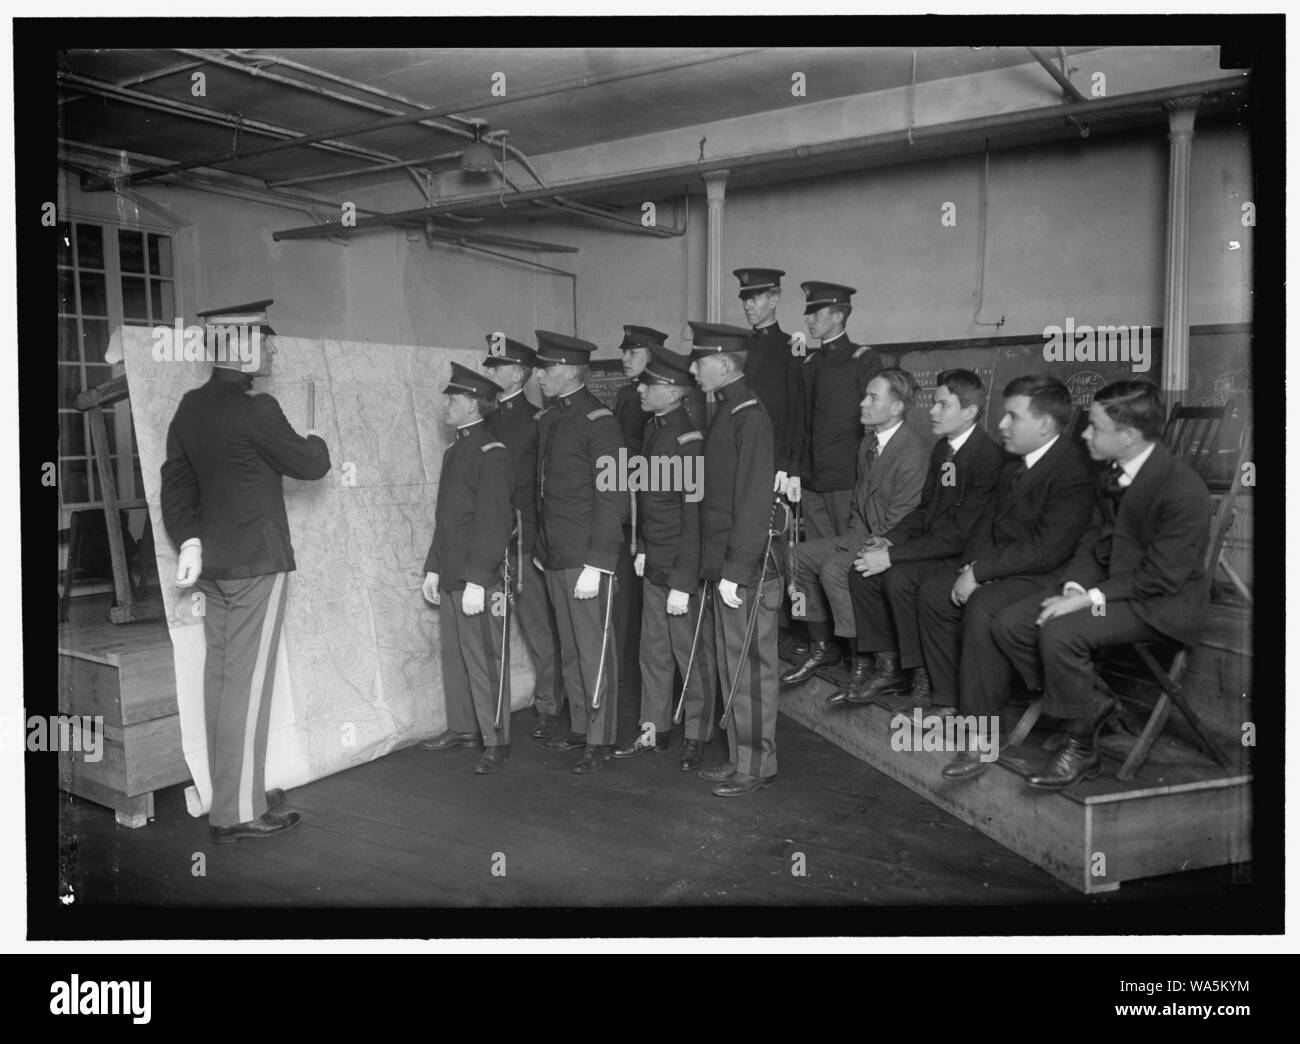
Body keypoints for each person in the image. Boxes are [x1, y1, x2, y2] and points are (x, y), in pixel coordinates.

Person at [160, 299, 331, 843]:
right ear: (241, 346)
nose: (273, 347)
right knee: (248, 686)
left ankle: (235, 790)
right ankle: (236, 812)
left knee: (222, 681)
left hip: (212, 566)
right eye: (266, 338)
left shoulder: (189, 407)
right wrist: (316, 437)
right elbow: (312, 464)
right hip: (258, 564)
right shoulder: (259, 409)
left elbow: (176, 487)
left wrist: (189, 540)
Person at [987, 379, 1212, 788]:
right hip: (1117, 589)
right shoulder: (1114, 471)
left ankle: (1082, 749)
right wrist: (1075, 587)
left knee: (1060, 630)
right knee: (1011, 623)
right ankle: (1091, 706)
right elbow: (1095, 540)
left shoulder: (1182, 489)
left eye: (1094, 427)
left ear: (1127, 436)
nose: (1084, 434)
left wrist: (1088, 599)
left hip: (1161, 603)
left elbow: (1161, 576)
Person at [913, 375, 1094, 776]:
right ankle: (951, 701)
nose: (1002, 426)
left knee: (982, 607)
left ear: (1045, 425)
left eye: (1013, 417)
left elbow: (1049, 549)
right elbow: (985, 526)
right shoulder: (1014, 464)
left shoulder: (1072, 470)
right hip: (1007, 566)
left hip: (1049, 574)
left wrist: (982, 573)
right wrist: (971, 567)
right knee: (934, 591)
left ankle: (981, 737)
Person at [833, 369, 1005, 706]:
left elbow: (959, 533)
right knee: (862, 572)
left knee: (898, 577)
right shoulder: (944, 451)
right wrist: (890, 540)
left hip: (962, 553)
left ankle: (924, 675)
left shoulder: (987, 457)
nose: (932, 411)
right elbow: (927, 508)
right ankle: (891, 666)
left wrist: (894, 556)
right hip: (938, 543)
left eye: (943, 405)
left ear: (969, 412)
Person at [780, 368, 929, 685]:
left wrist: (854, 549)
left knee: (835, 568)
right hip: (862, 535)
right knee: (796, 556)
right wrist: (851, 542)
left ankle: (865, 657)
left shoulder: (912, 452)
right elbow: (859, 507)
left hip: (891, 545)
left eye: (872, 397)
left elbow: (903, 521)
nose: (862, 403)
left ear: (897, 407)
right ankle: (823, 645)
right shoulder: (867, 444)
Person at [612, 344, 715, 771]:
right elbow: (647, 498)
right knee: (652, 649)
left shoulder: (689, 440)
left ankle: (695, 734)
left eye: (650, 383)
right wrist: (642, 548)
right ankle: (653, 727)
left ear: (674, 393)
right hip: (655, 559)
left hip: (679, 564)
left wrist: (683, 578)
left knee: (688, 651)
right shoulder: (655, 430)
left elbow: (694, 514)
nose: (641, 388)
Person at [688, 321, 779, 797]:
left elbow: (753, 499)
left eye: (699, 360)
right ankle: (739, 754)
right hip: (722, 562)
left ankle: (758, 764)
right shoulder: (726, 411)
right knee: (731, 664)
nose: (693, 368)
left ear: (724, 364)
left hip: (741, 567)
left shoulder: (748, 415)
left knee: (752, 665)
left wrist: (738, 567)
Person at [533, 330, 629, 773]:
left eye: (547, 369)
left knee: (594, 648)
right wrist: (541, 546)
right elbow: (544, 490)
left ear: (570, 371)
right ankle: (579, 726)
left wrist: (598, 562)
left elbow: (613, 496)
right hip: (556, 553)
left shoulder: (600, 421)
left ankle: (601, 736)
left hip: (586, 556)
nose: (540, 375)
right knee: (570, 647)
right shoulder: (552, 419)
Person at [419, 363, 517, 773]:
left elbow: (495, 522)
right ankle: (464, 728)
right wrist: (434, 568)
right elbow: (448, 518)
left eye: (453, 398)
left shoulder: (491, 454)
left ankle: (497, 738)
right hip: (453, 573)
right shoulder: (456, 450)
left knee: (486, 659)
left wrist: (479, 579)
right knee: (457, 657)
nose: (446, 404)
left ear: (474, 404)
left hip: (478, 576)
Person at [480, 333, 565, 740]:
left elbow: (544, 486)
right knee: (490, 629)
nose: (490, 372)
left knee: (538, 629)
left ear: (518, 373)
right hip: (490, 541)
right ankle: (493, 713)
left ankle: (549, 704)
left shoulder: (538, 422)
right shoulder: (485, 421)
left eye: (497, 366)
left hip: (523, 540)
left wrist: (534, 539)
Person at [787, 281, 892, 540]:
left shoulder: (863, 360)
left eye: (815, 313)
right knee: (815, 554)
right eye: (808, 313)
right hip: (812, 480)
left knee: (847, 552)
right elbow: (800, 422)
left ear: (838, 316)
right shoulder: (810, 363)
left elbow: (876, 423)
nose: (808, 320)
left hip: (847, 479)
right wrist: (795, 472)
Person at [733, 267, 803, 480]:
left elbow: (797, 410)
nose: (747, 306)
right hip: (738, 446)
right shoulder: (738, 346)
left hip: (773, 451)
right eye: (744, 299)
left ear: (773, 301)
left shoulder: (794, 345)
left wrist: (788, 464)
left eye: (754, 299)